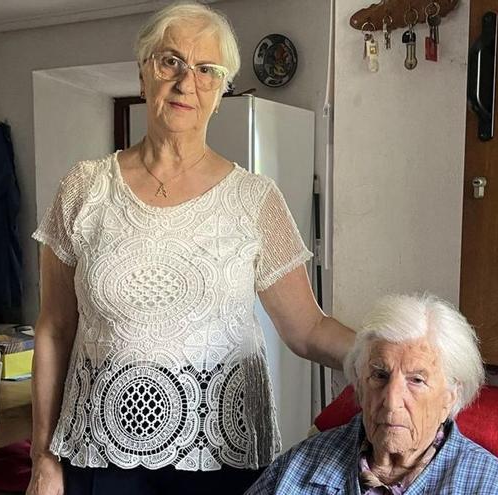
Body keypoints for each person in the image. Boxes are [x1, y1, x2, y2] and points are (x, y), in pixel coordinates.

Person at [27, 3, 355, 494]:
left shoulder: (255, 198)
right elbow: (54, 329)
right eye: (170, 61)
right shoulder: (84, 187)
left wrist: (387, 354)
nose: (187, 82)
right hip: (97, 454)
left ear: (221, 92)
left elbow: (308, 330)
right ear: (143, 73)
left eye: (207, 70)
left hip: (219, 458)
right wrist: (42, 458)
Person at [246, 293, 498, 494]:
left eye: (417, 380)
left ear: (450, 397)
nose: (391, 400)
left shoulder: (491, 487)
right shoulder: (298, 469)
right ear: (359, 386)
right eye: (380, 376)